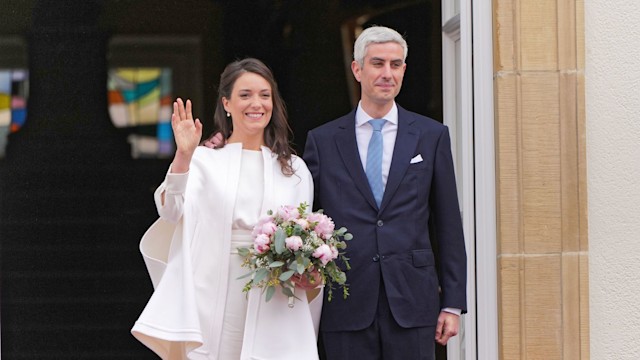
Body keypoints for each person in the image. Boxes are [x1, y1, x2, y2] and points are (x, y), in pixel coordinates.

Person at [132, 58, 322, 360]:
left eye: (264, 95)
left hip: (272, 293)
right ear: (227, 104)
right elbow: (170, 212)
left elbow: (305, 238)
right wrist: (183, 156)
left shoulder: (294, 169)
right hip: (214, 288)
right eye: (245, 95)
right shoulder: (205, 160)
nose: (256, 103)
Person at [302, 26, 467, 359]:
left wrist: (452, 301)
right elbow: (305, 217)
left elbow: (448, 221)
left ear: (404, 70)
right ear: (357, 69)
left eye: (396, 64)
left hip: (413, 301)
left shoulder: (430, 136)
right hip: (346, 301)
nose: (387, 73)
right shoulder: (322, 140)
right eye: (377, 63)